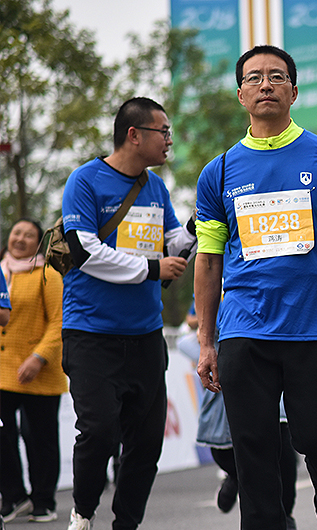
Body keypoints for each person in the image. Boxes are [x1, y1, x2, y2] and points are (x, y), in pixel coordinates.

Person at [193, 45, 317, 530]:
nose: (265, 84)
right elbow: (208, 260)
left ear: (294, 91)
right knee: (253, 449)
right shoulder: (218, 172)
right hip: (244, 329)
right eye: (254, 78)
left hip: (315, 326)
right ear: (241, 94)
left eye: (276, 76)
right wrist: (207, 340)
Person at [60, 96, 196, 530]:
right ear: (134, 135)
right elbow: (84, 250)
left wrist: (199, 225)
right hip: (91, 334)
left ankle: (127, 524)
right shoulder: (85, 180)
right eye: (164, 132)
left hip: (146, 336)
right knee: (99, 431)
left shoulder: (156, 188)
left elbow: (173, 244)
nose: (169, 141)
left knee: (146, 443)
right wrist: (152, 269)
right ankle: (83, 513)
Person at [178, 303, 299, 529]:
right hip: (230, 375)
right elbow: (186, 336)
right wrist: (207, 341)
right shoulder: (217, 290)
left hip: (269, 370)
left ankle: (286, 514)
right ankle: (235, 475)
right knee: (224, 453)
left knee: (283, 454)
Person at [0, 219, 64, 523]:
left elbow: (59, 321)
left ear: (38, 242)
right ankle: (14, 495)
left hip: (40, 372)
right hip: (3, 371)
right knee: (3, 436)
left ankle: (43, 500)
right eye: (17, 233)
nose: (21, 239)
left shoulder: (47, 274)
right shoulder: (1, 271)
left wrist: (39, 357)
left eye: (29, 235)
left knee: (40, 439)